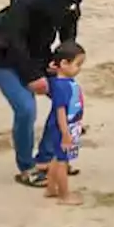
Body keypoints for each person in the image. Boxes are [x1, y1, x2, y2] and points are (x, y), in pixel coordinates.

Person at [0, 0, 98, 187]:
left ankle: (47, 159)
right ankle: (27, 168)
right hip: (5, 58)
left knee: (69, 99)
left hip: (41, 57)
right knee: (26, 109)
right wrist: (33, 77)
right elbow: (14, 40)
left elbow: (68, 32)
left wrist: (63, 62)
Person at [37, 41, 87, 205]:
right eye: (77, 64)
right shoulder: (61, 86)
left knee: (56, 157)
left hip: (69, 124)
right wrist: (65, 133)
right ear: (64, 63)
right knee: (62, 161)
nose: (79, 68)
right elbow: (60, 111)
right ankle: (64, 195)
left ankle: (51, 188)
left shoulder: (66, 83)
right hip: (62, 127)